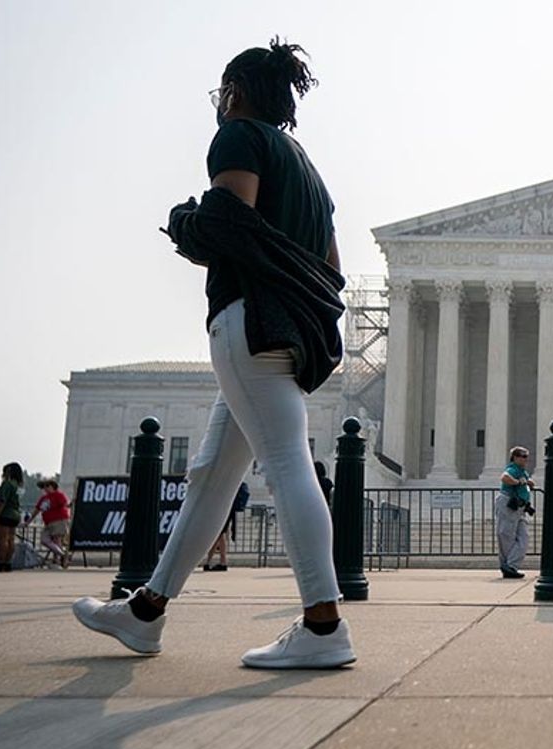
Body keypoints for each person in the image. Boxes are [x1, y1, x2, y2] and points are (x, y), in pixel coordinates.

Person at [73, 38, 356, 668]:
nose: (219, 103)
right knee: (212, 475)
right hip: (291, 336)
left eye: (221, 91)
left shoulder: (238, 138)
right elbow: (333, 268)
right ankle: (145, 610)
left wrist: (183, 222)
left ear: (235, 90)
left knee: (286, 463)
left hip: (246, 324)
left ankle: (322, 624)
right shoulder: (309, 171)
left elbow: (227, 221)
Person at [495, 446, 536, 578]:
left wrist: (528, 483)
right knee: (506, 534)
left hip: (520, 506)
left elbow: (524, 485)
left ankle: (510, 565)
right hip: (509, 503)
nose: (526, 459)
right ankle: (508, 566)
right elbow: (504, 478)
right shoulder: (512, 468)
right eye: (523, 456)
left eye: (526, 457)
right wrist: (518, 482)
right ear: (515, 457)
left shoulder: (522, 471)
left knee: (524, 538)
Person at [0, 463, 24, 573]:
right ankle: (7, 563)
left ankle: (0, 562)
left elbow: (2, 500)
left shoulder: (7, 484)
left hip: (6, 514)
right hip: (15, 515)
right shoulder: (18, 486)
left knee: (2, 539)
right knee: (11, 539)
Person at [204, 481, 249, 571]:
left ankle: (215, 561)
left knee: (219, 533)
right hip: (227, 508)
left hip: (223, 508)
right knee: (220, 534)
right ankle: (217, 561)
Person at [27, 478, 71, 569]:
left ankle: (57, 561)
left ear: (53, 487)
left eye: (47, 486)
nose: (45, 488)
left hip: (59, 520)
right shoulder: (43, 498)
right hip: (48, 523)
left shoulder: (59, 495)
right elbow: (36, 510)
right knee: (44, 539)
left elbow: (65, 505)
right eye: (44, 487)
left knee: (57, 539)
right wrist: (28, 521)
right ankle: (62, 555)